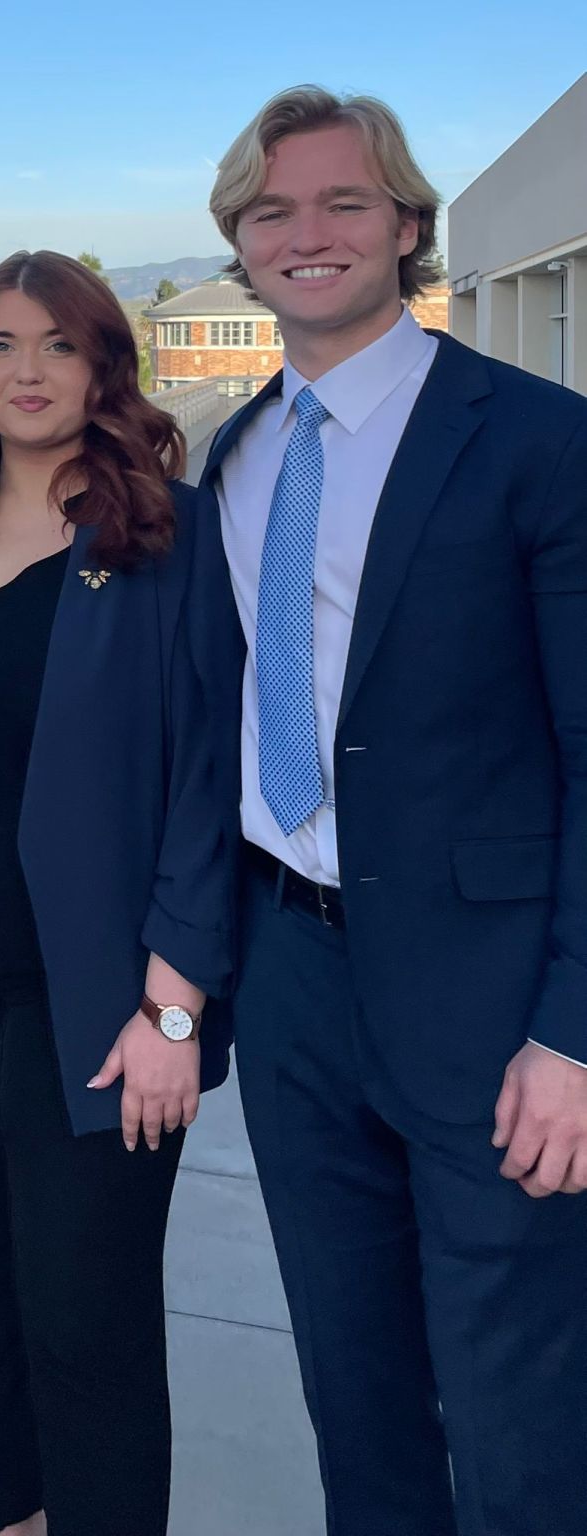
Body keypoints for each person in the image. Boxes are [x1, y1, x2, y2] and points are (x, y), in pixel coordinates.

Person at [193, 86, 587, 1536]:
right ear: (239, 245)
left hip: (492, 1006)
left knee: (516, 1403)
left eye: (344, 202)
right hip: (294, 975)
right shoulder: (229, 460)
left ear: (407, 226)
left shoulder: (541, 443)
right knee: (351, 1379)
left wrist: (575, 1033)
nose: (308, 234)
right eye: (272, 211)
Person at [0, 249, 231, 1536]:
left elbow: (205, 780)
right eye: (1, 345)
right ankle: (4, 1512)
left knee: (87, 1293)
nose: (27, 372)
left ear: (102, 367)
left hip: (95, 981)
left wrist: (173, 1007)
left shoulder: (163, 529)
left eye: (58, 346)